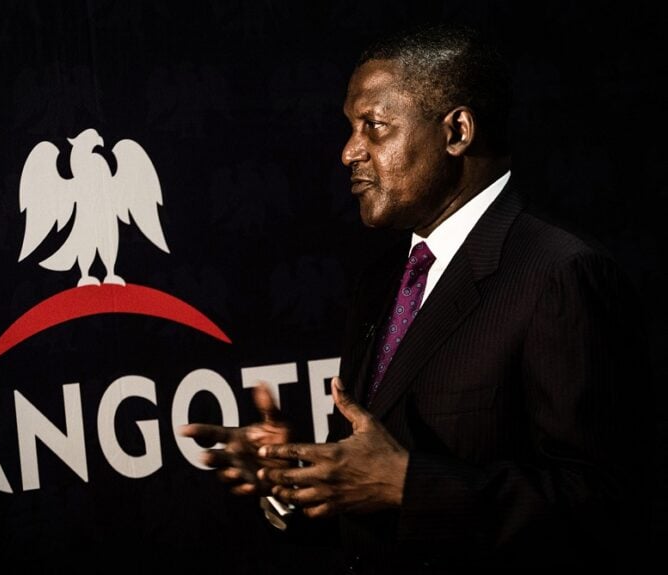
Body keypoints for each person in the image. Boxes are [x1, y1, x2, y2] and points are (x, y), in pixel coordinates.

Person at [180, 22, 653, 574]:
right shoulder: (383, 282)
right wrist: (298, 474)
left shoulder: (559, 273)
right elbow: (367, 500)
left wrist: (406, 485)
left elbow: (602, 506)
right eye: (350, 128)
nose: (349, 152)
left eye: (374, 127)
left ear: (457, 131)